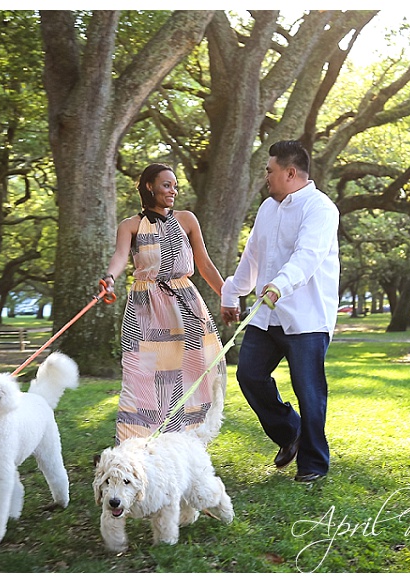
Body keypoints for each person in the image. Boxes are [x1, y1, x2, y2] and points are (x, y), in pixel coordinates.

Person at [220, 140, 340, 483]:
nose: (266, 177)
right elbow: (253, 257)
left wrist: (279, 285)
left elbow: (308, 256)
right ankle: (291, 433)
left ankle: (314, 464)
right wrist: (232, 293)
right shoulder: (267, 208)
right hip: (266, 315)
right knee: (249, 376)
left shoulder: (321, 208)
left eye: (270, 171)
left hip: (306, 317)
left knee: (309, 389)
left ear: (290, 172)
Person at [101, 163, 227, 444]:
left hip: (185, 303)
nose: (173, 191)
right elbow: (121, 256)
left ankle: (188, 442)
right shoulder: (130, 226)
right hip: (146, 308)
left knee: (192, 371)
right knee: (141, 375)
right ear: (149, 186)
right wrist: (110, 277)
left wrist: (227, 296)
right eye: (166, 185)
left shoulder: (187, 220)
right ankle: (135, 444)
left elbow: (204, 263)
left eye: (175, 185)